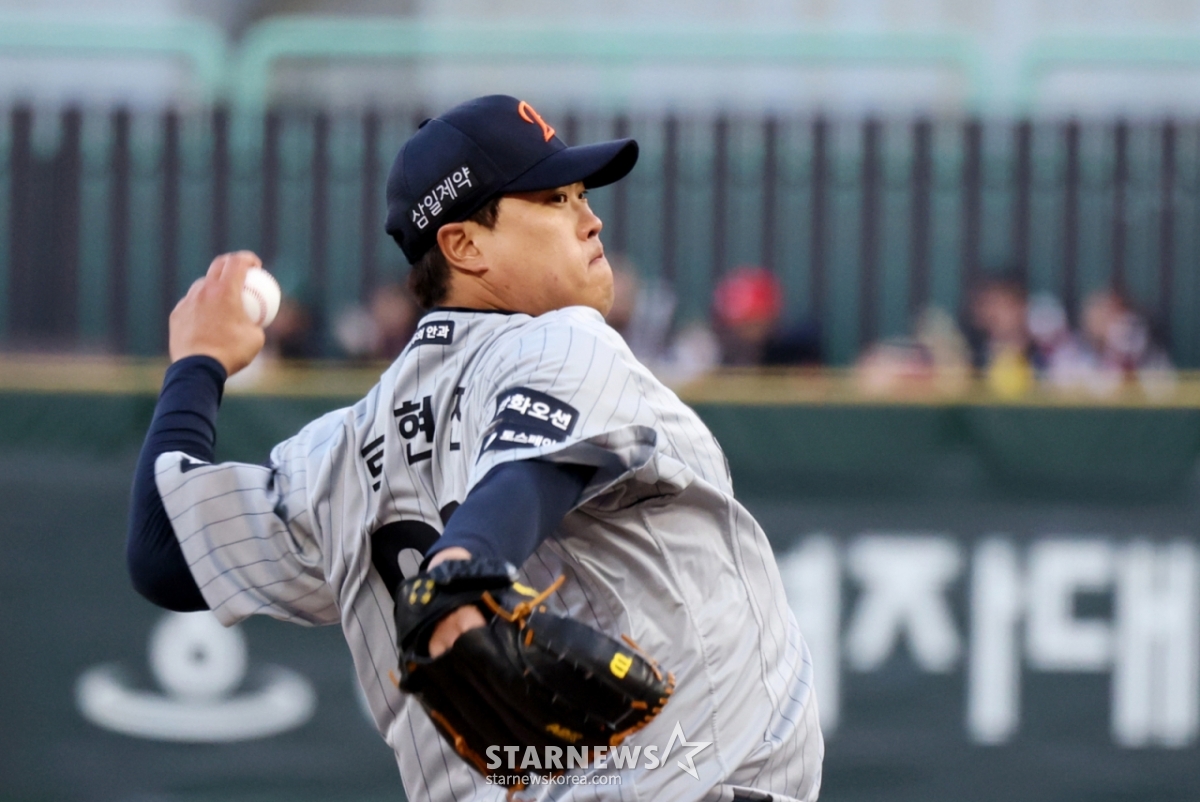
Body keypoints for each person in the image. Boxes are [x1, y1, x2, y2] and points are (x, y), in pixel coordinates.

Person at [125, 95, 822, 801]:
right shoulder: (560, 338)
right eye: (553, 199)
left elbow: (162, 554)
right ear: (464, 246)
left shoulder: (334, 454)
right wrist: (462, 571)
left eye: (582, 193)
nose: (592, 218)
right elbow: (535, 466)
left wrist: (197, 365)